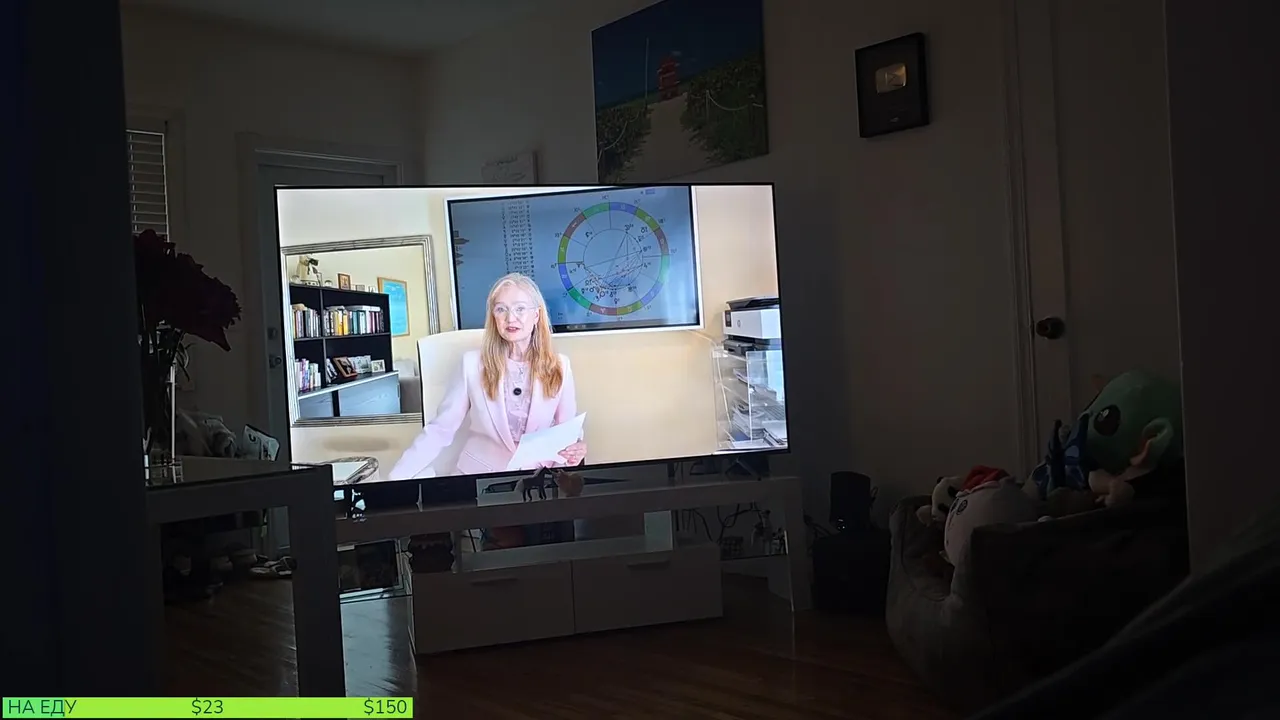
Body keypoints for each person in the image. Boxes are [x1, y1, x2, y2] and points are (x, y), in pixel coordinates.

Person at [389, 273, 586, 480]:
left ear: (536, 315)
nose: (510, 318)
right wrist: (396, 479)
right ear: (493, 317)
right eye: (501, 309)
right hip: (479, 479)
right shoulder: (471, 365)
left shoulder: (560, 366)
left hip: (537, 479)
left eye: (520, 308)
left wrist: (575, 450)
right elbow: (440, 430)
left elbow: (567, 432)